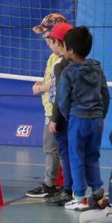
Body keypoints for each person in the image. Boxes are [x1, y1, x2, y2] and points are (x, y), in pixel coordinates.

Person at [57, 26, 110, 212]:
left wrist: (69, 116)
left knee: (76, 157)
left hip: (78, 119)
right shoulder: (97, 68)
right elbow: (105, 94)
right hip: (96, 119)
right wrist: (101, 115)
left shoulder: (68, 72)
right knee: (93, 155)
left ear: (70, 50)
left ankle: (79, 197)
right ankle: (97, 192)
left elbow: (63, 100)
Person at [25, 13, 68, 199]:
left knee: (52, 148)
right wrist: (42, 84)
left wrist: (41, 88)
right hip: (50, 109)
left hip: (55, 111)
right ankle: (61, 184)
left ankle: (51, 185)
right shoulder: (53, 57)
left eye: (47, 35)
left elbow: (58, 83)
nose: (44, 38)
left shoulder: (61, 59)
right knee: (55, 148)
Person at [44, 22, 75, 206]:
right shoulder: (85, 63)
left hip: (64, 117)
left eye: (51, 40)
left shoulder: (60, 65)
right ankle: (81, 191)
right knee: (80, 154)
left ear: (58, 42)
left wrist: (54, 119)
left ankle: (69, 191)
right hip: (82, 116)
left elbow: (59, 96)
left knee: (66, 153)